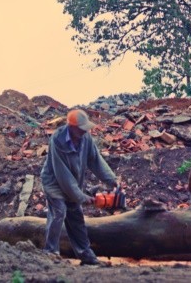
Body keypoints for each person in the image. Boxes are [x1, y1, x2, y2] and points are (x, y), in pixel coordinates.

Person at [40, 108, 118, 265]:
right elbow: (62, 174)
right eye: (82, 128)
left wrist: (112, 180)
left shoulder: (86, 138)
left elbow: (95, 160)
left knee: (76, 217)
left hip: (72, 183)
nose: (85, 131)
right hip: (54, 182)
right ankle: (50, 253)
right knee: (59, 212)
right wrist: (81, 196)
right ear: (71, 127)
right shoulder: (57, 139)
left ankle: (86, 255)